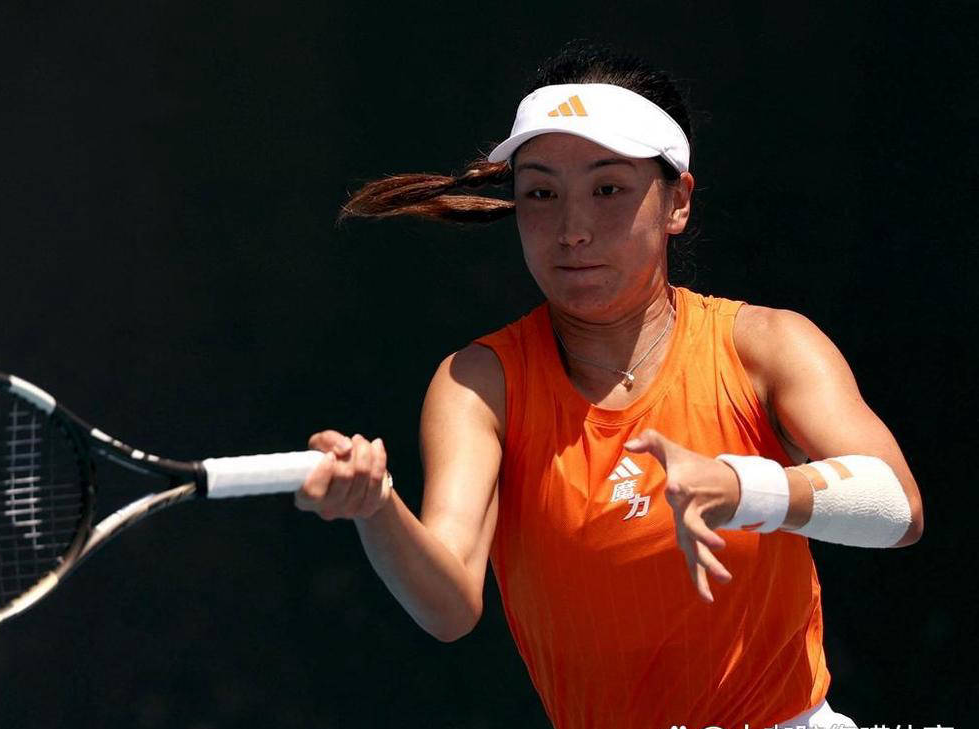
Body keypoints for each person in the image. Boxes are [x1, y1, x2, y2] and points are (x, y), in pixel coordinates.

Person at [296, 40, 923, 729]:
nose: (572, 231)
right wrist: (377, 508)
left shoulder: (769, 345)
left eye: (608, 190)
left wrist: (742, 488)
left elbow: (897, 505)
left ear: (677, 201)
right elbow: (449, 606)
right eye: (541, 193)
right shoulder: (476, 384)